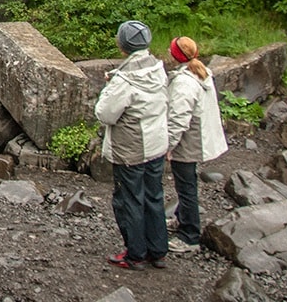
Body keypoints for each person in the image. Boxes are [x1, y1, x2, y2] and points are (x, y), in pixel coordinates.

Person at [94, 20, 170, 271]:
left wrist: (108, 88)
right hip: (157, 143)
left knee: (129, 200)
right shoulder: (159, 69)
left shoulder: (124, 81)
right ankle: (157, 251)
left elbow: (105, 114)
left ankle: (135, 253)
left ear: (122, 46)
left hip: (131, 149)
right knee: (154, 196)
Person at [165, 36, 228, 255]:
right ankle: (182, 219)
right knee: (187, 183)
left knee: (186, 187)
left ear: (176, 55)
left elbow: (179, 118)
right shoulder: (201, 72)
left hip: (189, 142)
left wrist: (167, 145)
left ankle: (190, 236)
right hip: (199, 138)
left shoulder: (184, 82)